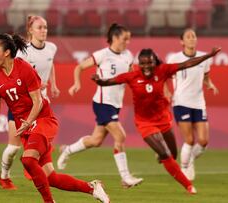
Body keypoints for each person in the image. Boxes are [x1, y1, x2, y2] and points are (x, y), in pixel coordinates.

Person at [0, 33, 110, 203]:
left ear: (6, 52)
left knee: (28, 159)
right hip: (26, 127)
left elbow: (37, 102)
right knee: (50, 177)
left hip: (42, 120)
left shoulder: (24, 69)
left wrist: (28, 121)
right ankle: (92, 188)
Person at [91, 47, 221, 194]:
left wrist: (209, 55)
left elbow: (187, 64)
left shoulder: (163, 70)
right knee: (165, 154)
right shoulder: (132, 76)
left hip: (163, 119)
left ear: (155, 62)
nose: (146, 67)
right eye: (143, 63)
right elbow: (109, 82)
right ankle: (188, 186)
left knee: (172, 154)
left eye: (150, 63)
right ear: (138, 64)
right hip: (144, 123)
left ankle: (162, 156)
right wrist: (99, 81)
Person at [57, 23, 143, 188]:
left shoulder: (128, 55)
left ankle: (67, 150)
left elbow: (132, 75)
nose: (127, 42)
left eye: (129, 39)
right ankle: (125, 178)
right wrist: (76, 84)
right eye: (125, 39)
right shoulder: (102, 54)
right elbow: (80, 67)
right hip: (103, 103)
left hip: (115, 104)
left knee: (96, 141)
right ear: (115, 38)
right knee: (121, 136)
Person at [0, 15, 60, 190]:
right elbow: (15, 74)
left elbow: (50, 63)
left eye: (46, 27)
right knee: (13, 148)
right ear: (30, 31)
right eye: (40, 27)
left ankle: (34, 166)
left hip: (40, 105)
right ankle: (4, 176)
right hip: (20, 105)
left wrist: (53, 84)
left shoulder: (52, 48)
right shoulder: (23, 52)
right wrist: (37, 84)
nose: (44, 31)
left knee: (44, 140)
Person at [167, 28, 219, 181]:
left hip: (198, 103)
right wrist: (166, 92)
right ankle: (184, 167)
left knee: (203, 141)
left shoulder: (204, 57)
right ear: (182, 41)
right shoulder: (175, 58)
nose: (191, 39)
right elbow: (164, 77)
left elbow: (206, 76)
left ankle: (189, 159)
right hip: (181, 102)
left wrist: (210, 84)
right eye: (188, 37)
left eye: (193, 36)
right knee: (189, 140)